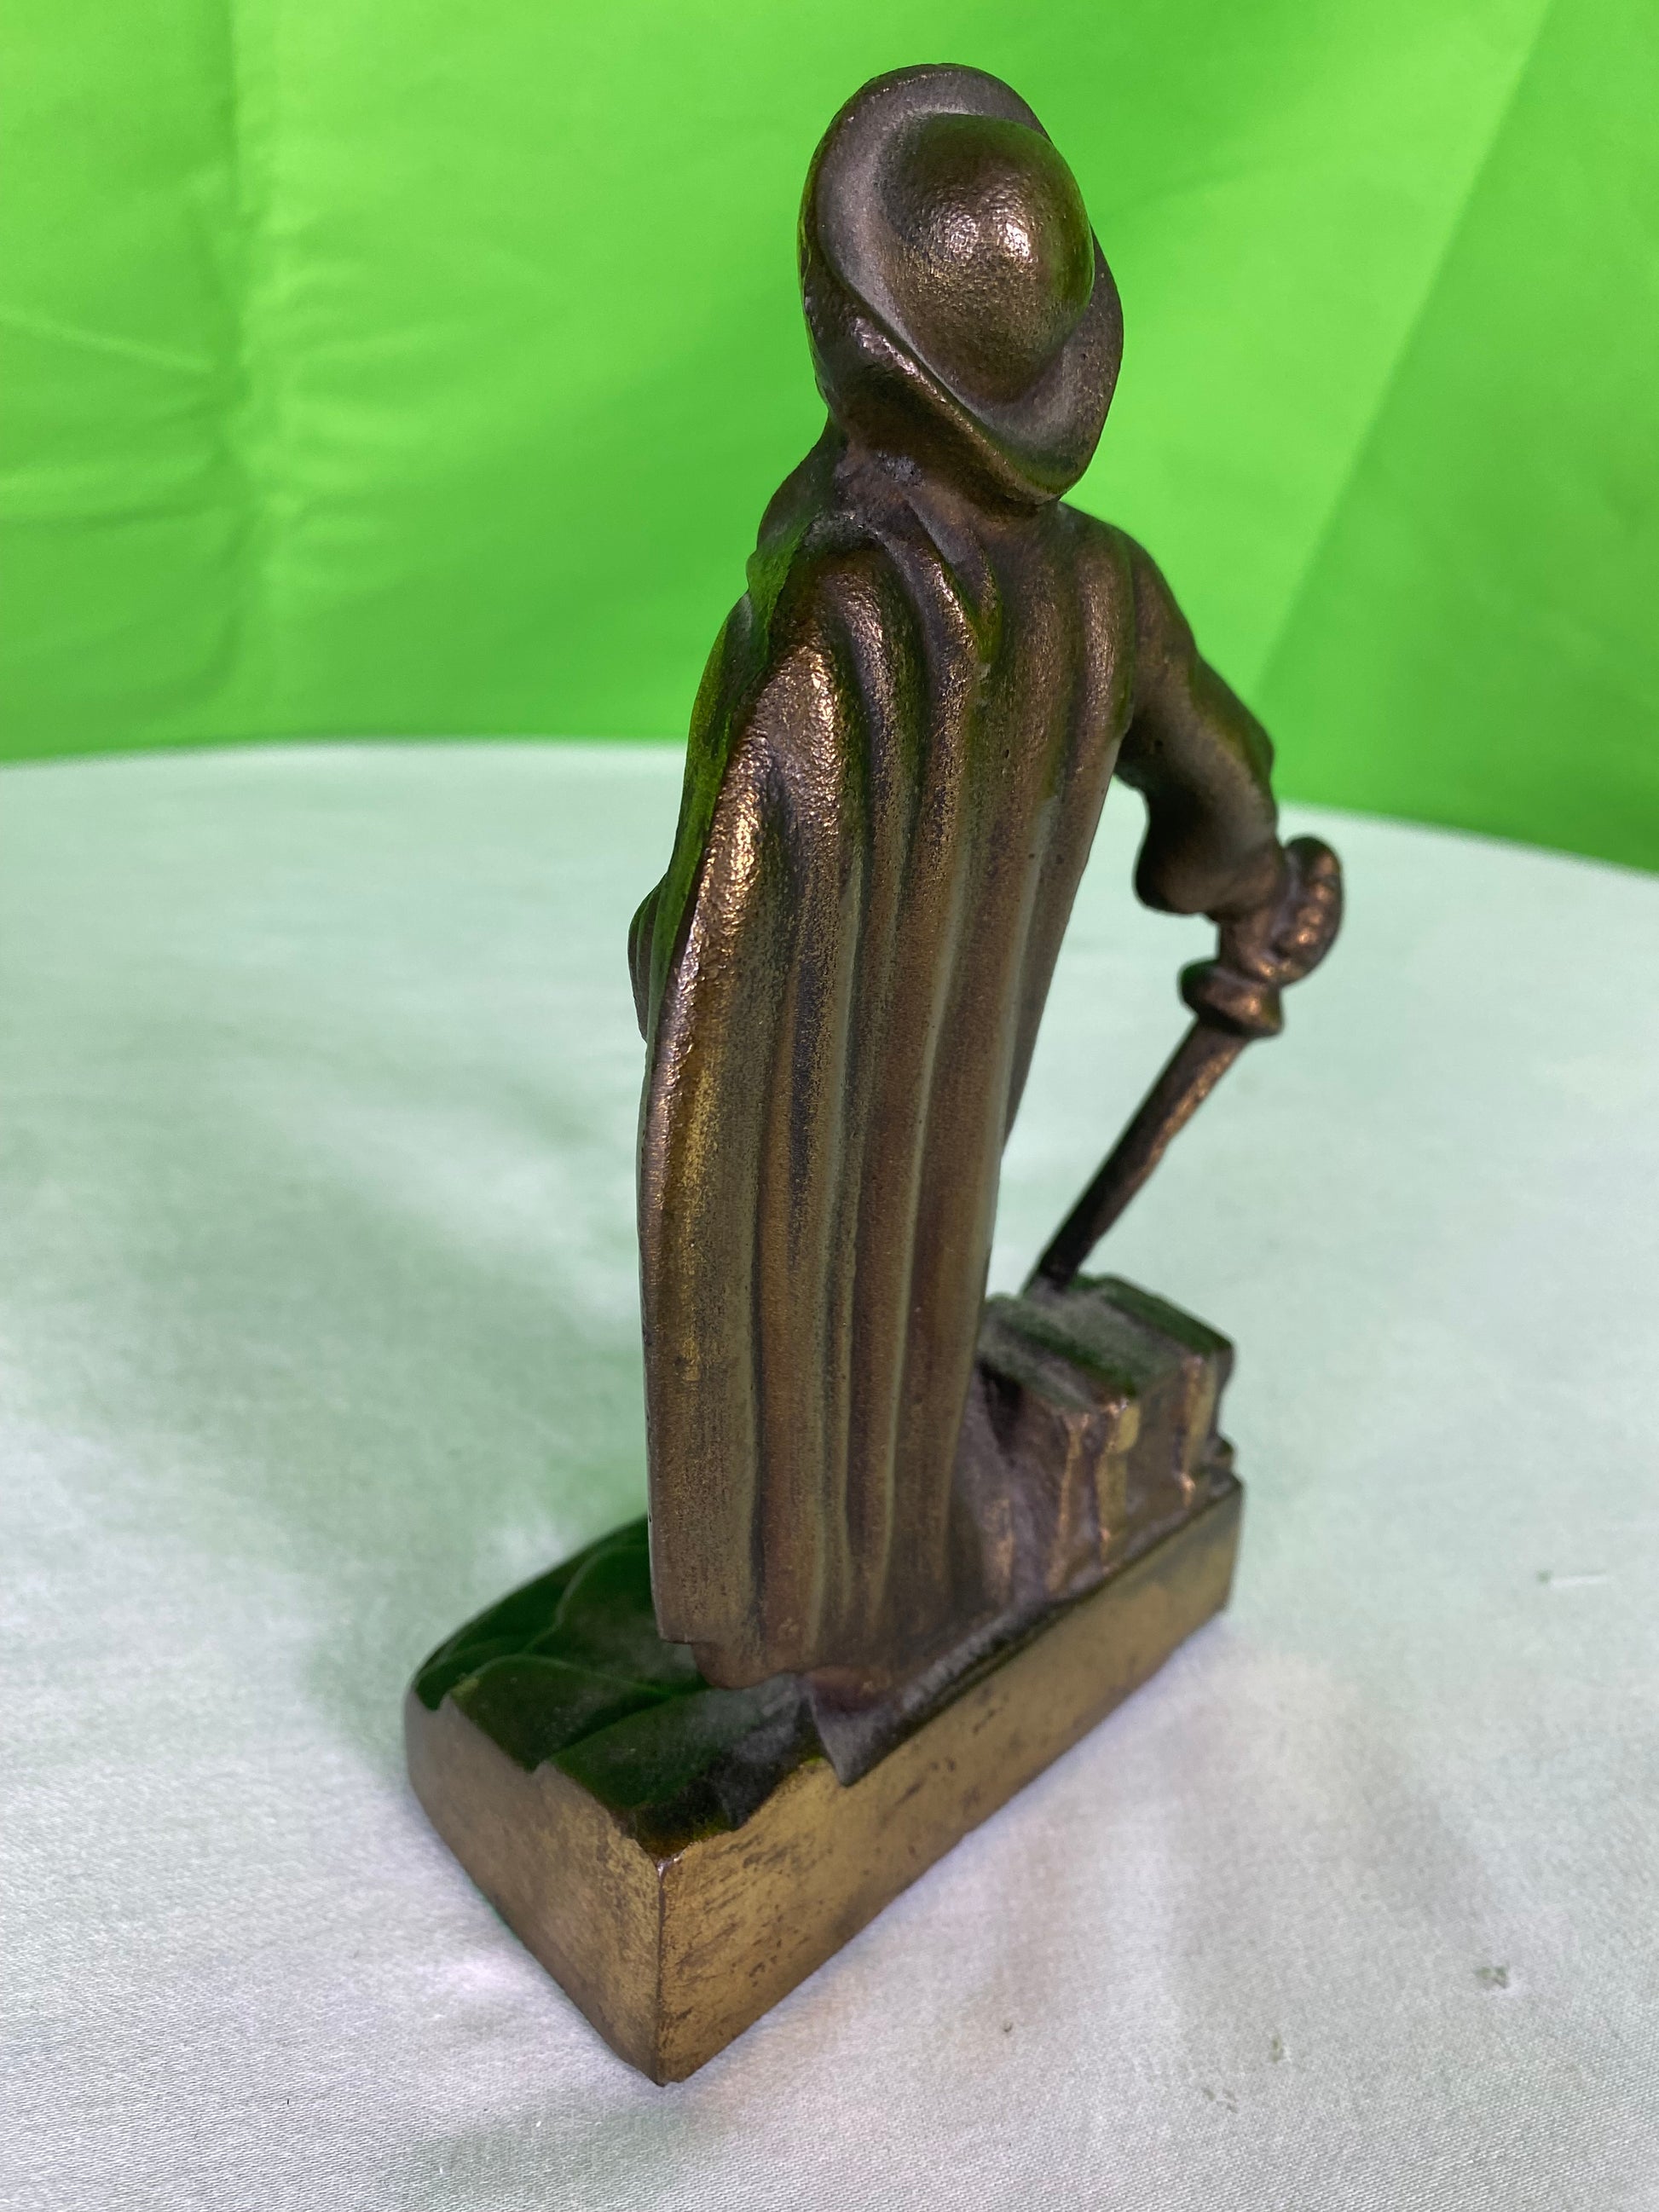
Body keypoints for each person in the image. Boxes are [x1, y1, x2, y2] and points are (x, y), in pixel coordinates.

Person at [628, 64, 1295, 1690]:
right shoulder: (1103, 594)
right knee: (908, 1303)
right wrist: (1258, 893)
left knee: (827, 1354)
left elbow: (684, 964)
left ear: (847, 339)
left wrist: (676, 958)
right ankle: (858, 1611)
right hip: (949, 1136)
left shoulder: (819, 632)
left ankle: (832, 1628)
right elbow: (1224, 795)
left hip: (818, 1182)